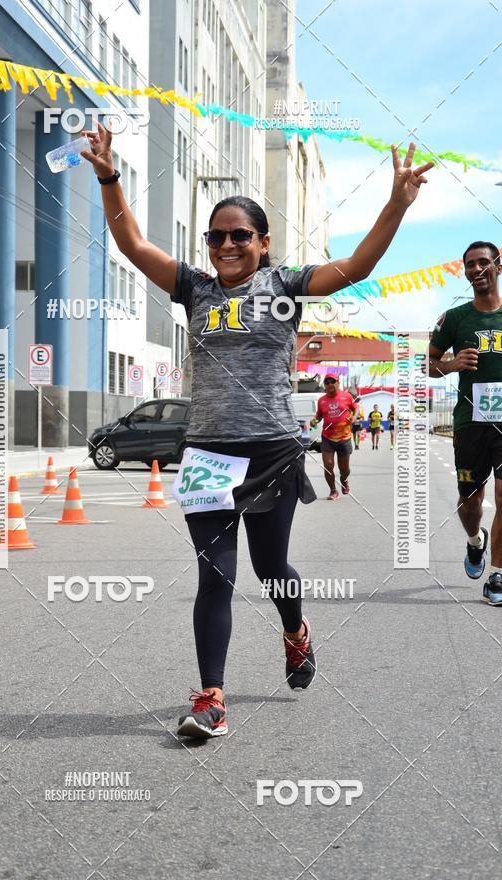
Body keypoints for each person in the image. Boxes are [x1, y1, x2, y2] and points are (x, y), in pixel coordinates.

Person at [81, 124, 434, 737]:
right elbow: (134, 246)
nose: (225, 244)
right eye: (216, 236)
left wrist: (396, 204)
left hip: (270, 453)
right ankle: (211, 698)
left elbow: (356, 265)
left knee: (273, 572)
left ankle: (294, 632)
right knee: (214, 574)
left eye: (239, 235)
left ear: (262, 242)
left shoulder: (286, 286)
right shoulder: (193, 289)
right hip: (208, 454)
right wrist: (110, 177)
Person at [429, 241, 502, 605]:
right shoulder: (455, 319)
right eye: (471, 264)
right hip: (470, 422)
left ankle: (497, 575)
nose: (477, 269)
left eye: (484, 263)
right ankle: (475, 542)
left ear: (498, 267)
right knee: (469, 500)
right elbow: (427, 365)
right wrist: (452, 365)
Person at [310, 375, 356, 499]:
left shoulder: (346, 396)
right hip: (327, 437)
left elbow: (355, 409)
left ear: (338, 383)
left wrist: (355, 417)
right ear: (325, 385)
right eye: (327, 382)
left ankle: (344, 480)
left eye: (332, 381)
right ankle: (333, 491)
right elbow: (318, 416)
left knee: (344, 469)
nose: (330, 384)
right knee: (328, 465)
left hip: (344, 438)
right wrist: (314, 420)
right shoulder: (321, 401)